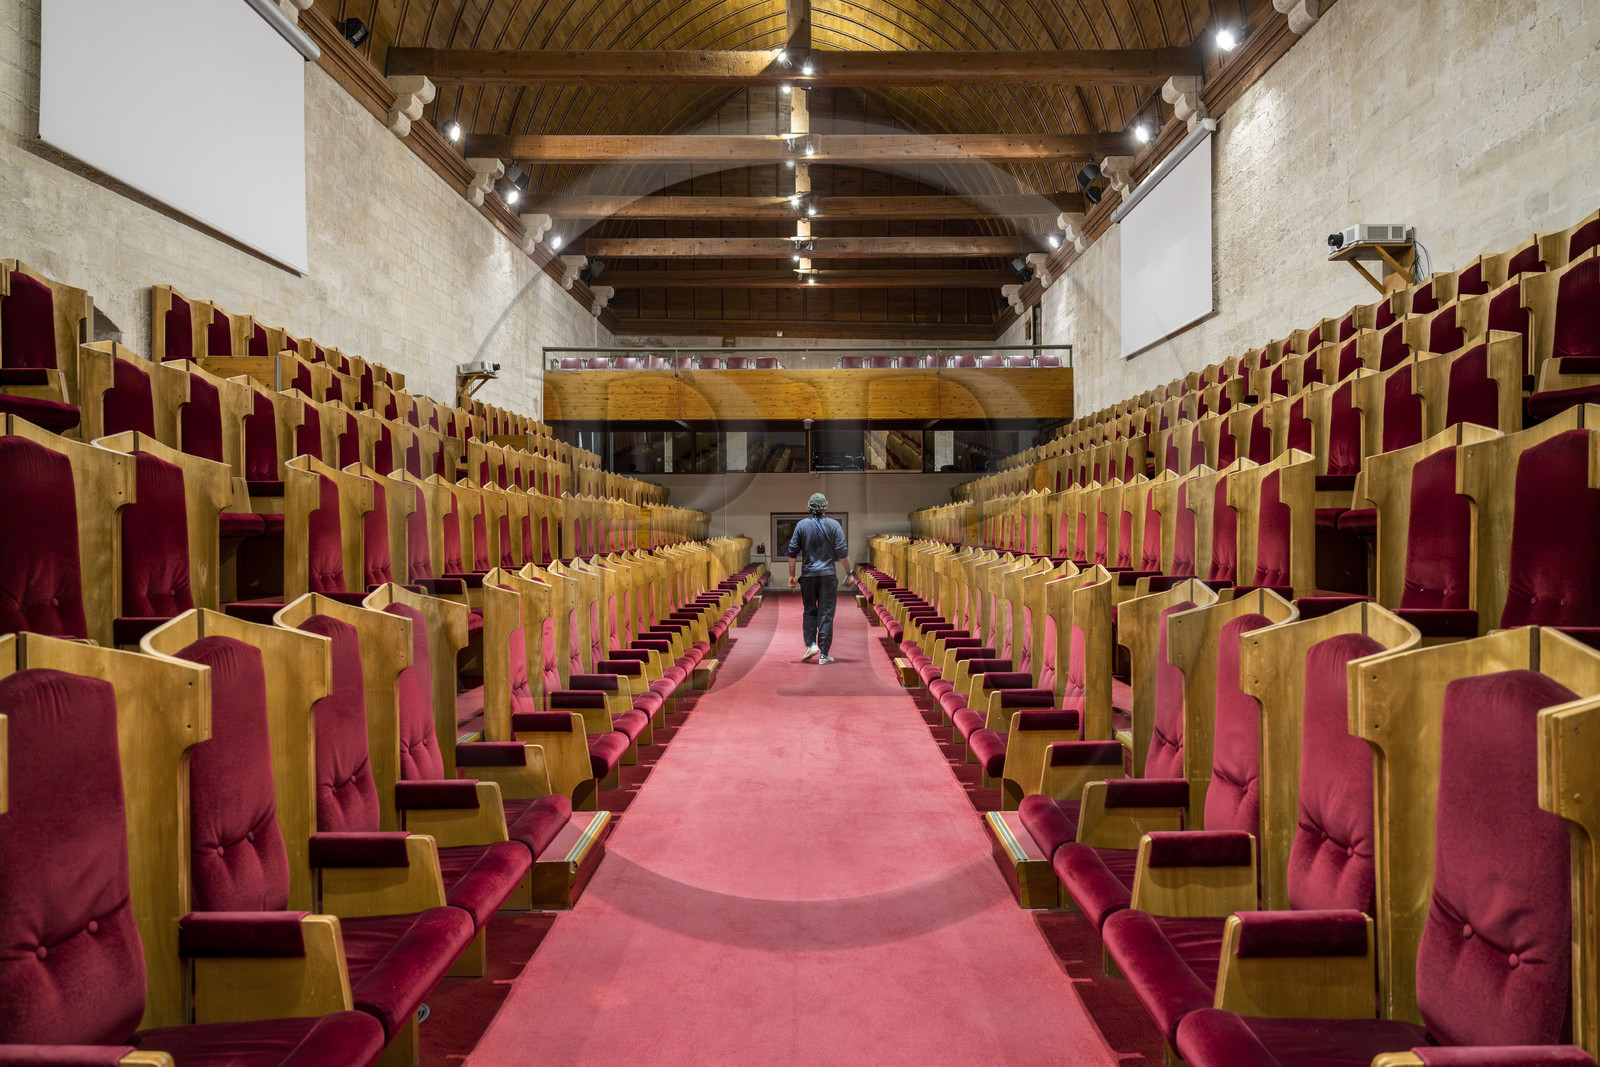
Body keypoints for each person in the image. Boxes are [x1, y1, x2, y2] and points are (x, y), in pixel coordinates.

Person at [786, 492, 849, 664]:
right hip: (828, 576)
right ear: (825, 507)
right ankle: (824, 654)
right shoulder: (834, 525)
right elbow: (843, 552)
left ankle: (811, 644)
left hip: (808, 576)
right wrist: (849, 573)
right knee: (826, 614)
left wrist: (792, 575)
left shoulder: (801, 525)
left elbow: (792, 552)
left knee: (809, 610)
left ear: (809, 507)